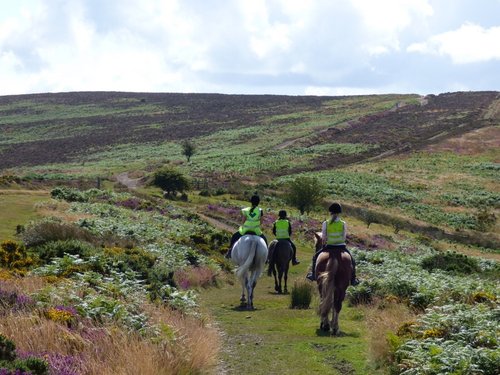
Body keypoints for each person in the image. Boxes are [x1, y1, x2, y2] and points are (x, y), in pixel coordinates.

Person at [306, 202, 359, 286]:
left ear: (330, 212)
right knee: (352, 260)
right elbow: (344, 237)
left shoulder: (325, 223)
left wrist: (325, 244)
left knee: (315, 257)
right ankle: (353, 279)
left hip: (329, 246)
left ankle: (313, 275)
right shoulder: (343, 223)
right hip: (341, 247)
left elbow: (323, 237)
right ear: (339, 213)